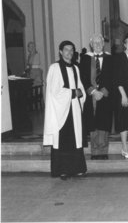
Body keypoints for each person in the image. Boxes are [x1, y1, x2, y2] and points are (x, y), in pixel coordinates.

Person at [43, 40, 87, 180]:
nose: (69, 52)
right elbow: (54, 91)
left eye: (72, 50)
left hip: (73, 108)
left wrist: (80, 93)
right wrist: (74, 93)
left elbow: (80, 89)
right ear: (60, 51)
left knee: (75, 139)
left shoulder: (75, 68)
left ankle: (76, 168)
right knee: (63, 139)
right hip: (60, 110)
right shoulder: (55, 68)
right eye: (66, 50)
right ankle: (62, 169)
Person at [80, 34, 113, 160]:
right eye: (95, 43)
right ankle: (95, 151)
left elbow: (113, 76)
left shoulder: (110, 58)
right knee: (93, 123)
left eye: (100, 42)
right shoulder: (85, 59)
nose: (98, 44)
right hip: (91, 95)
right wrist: (93, 91)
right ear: (91, 45)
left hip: (105, 95)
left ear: (103, 44)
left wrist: (103, 91)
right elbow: (83, 77)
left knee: (104, 122)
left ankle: (103, 151)